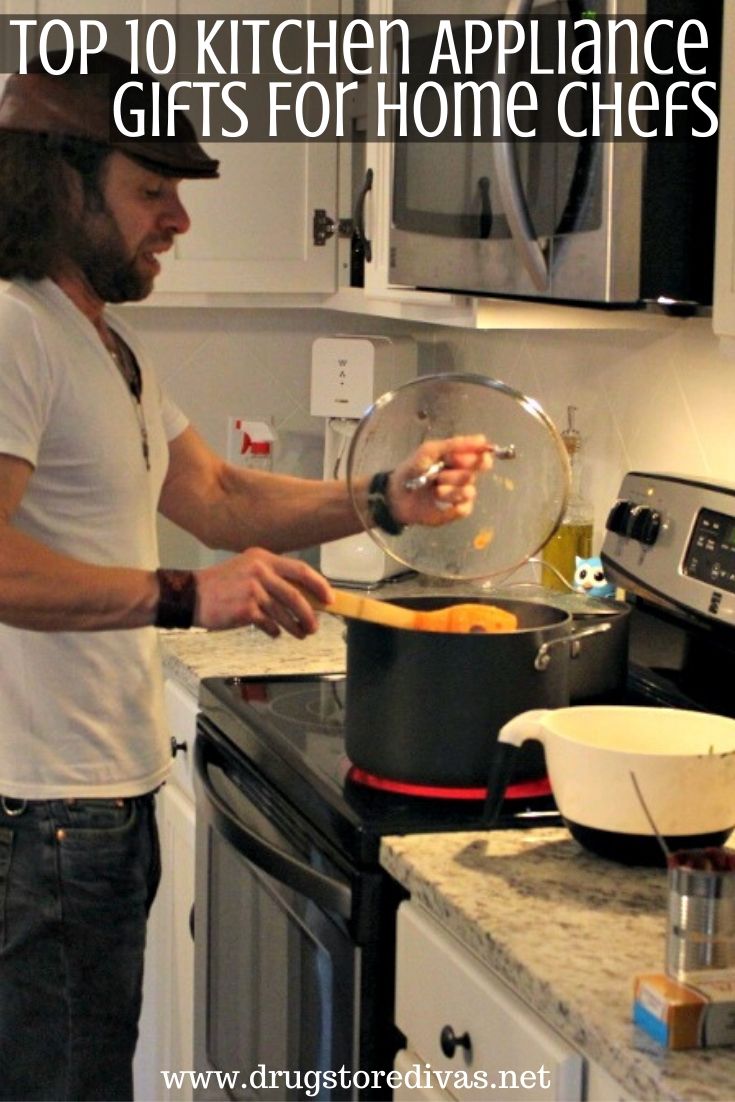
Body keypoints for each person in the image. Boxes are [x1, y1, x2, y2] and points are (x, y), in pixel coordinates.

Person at [0, 52, 492, 1102]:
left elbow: (217, 495)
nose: (178, 218)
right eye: (151, 189)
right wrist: (191, 593)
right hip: (39, 819)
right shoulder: (11, 328)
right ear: (59, 181)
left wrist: (379, 500)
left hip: (93, 805)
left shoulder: (98, 338)